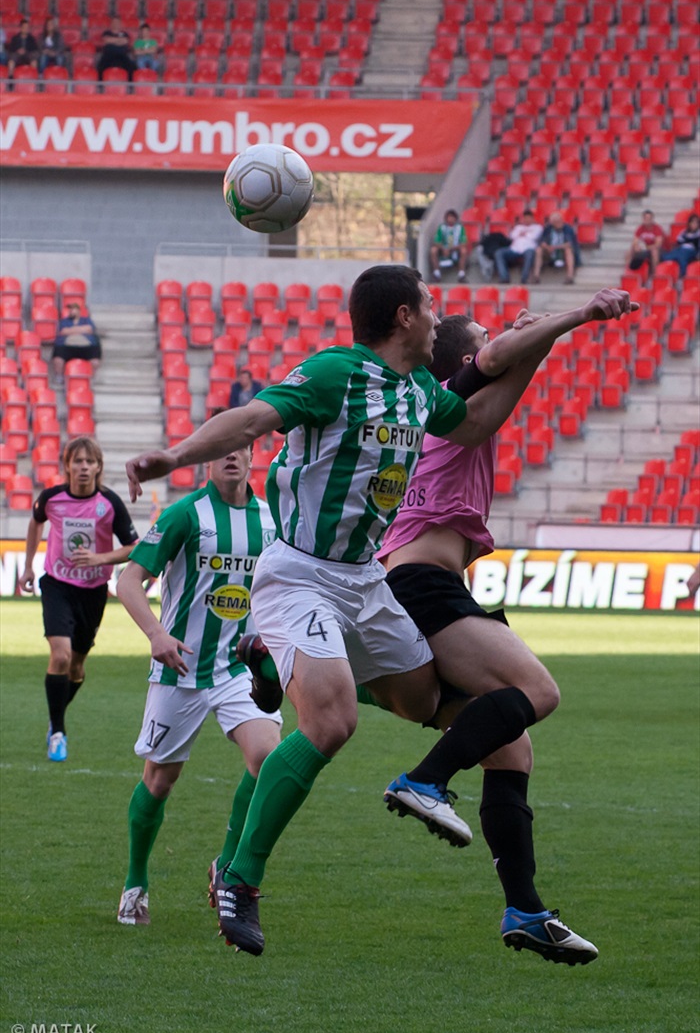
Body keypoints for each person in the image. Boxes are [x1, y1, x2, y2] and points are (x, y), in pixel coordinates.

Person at [126, 264, 552, 955]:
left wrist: (535, 351)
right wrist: (175, 455)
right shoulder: (334, 373)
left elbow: (474, 420)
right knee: (332, 719)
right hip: (300, 574)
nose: (439, 315)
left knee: (421, 702)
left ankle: (274, 662)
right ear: (404, 318)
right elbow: (254, 418)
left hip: (366, 580)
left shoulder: (416, 391)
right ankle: (240, 875)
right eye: (430, 304)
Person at [241, 289, 637, 965]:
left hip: (420, 584)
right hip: (423, 584)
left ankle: (526, 910)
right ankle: (422, 780)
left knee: (510, 746)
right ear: (462, 356)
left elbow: (509, 365)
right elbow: (497, 360)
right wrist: (575, 317)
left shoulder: (424, 410)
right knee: (537, 692)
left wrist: (533, 336)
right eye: (482, 339)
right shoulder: (443, 393)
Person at [116, 440, 282, 927]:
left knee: (269, 759)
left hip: (238, 669)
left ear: (252, 457)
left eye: (241, 448)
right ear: (208, 458)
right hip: (180, 668)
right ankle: (135, 883)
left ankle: (228, 867)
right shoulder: (186, 514)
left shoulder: (273, 522)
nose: (232, 456)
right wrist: (156, 634)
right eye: (223, 449)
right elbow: (129, 582)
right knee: (160, 780)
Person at [19, 436, 139, 763]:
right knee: (59, 656)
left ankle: (54, 716)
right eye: (77, 461)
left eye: (90, 461)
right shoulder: (52, 499)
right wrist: (29, 566)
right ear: (67, 466)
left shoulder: (109, 503)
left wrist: (101, 559)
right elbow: (35, 522)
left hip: (93, 592)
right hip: (57, 585)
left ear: (99, 467)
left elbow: (133, 546)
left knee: (76, 668)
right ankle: (58, 731)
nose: (83, 467)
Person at [51, 302, 101, 382]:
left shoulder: (86, 320)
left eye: (73, 309)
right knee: (58, 359)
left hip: (86, 346)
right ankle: (59, 377)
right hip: (67, 346)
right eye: (70, 309)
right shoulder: (64, 321)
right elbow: (63, 331)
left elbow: (89, 329)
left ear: (79, 311)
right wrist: (81, 330)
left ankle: (91, 378)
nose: (71, 311)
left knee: (95, 360)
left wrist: (71, 330)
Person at [494, 209, 542, 285]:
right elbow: (512, 236)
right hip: (514, 249)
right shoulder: (518, 227)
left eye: (529, 218)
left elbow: (534, 236)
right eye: (525, 218)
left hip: (528, 248)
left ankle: (524, 279)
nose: (527, 220)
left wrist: (523, 234)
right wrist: (524, 233)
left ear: (532, 218)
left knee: (530, 254)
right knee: (499, 253)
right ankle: (504, 277)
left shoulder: (537, 227)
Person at [532, 211, 581, 285]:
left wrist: (555, 247)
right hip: (549, 252)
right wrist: (547, 247)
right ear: (552, 223)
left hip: (562, 252)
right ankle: (536, 276)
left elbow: (569, 244)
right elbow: (541, 242)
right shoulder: (548, 228)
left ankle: (569, 277)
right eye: (556, 222)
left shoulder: (568, 228)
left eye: (560, 220)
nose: (559, 223)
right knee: (539, 250)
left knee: (568, 251)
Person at [429, 209, 469, 282]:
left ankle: (461, 274)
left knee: (464, 250)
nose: (450, 219)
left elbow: (464, 242)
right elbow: (436, 241)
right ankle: (436, 274)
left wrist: (452, 249)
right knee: (433, 250)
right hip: (443, 249)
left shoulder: (460, 228)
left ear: (455, 218)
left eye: (452, 217)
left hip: (456, 249)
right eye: (449, 217)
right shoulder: (441, 227)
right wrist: (444, 249)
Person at [659, 214, 700, 279]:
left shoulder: (698, 233)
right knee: (669, 255)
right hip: (681, 249)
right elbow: (679, 241)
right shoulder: (684, 232)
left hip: (691, 251)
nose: (694, 224)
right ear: (689, 223)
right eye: (692, 222)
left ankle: (682, 275)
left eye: (696, 222)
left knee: (682, 256)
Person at [626, 210, 666, 275]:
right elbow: (635, 241)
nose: (647, 220)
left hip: (658, 250)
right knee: (629, 250)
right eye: (645, 218)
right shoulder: (640, 228)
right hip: (645, 249)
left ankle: (655, 274)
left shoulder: (657, 228)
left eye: (649, 218)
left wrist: (645, 247)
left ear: (652, 219)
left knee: (654, 251)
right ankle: (629, 271)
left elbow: (658, 244)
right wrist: (636, 246)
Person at [97, 16, 136, 82]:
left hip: (122, 55)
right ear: (111, 23)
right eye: (114, 22)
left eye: (117, 22)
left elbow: (125, 41)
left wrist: (112, 40)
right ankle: (100, 86)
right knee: (100, 67)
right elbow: (106, 40)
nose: (115, 24)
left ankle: (130, 86)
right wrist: (119, 41)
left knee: (132, 68)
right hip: (108, 54)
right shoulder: (106, 33)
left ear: (120, 24)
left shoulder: (124, 34)